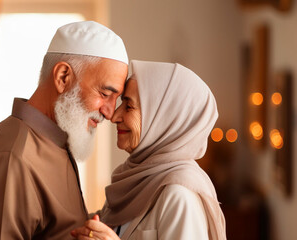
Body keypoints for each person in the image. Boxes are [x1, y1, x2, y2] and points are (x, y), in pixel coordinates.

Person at [0, 21, 129, 239]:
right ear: (63, 77)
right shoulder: (14, 157)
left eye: (117, 100)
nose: (110, 113)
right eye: (105, 94)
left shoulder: (53, 141)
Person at [71, 60, 226, 240]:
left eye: (128, 107)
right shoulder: (133, 181)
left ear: (165, 119)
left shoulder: (179, 195)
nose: (114, 116)